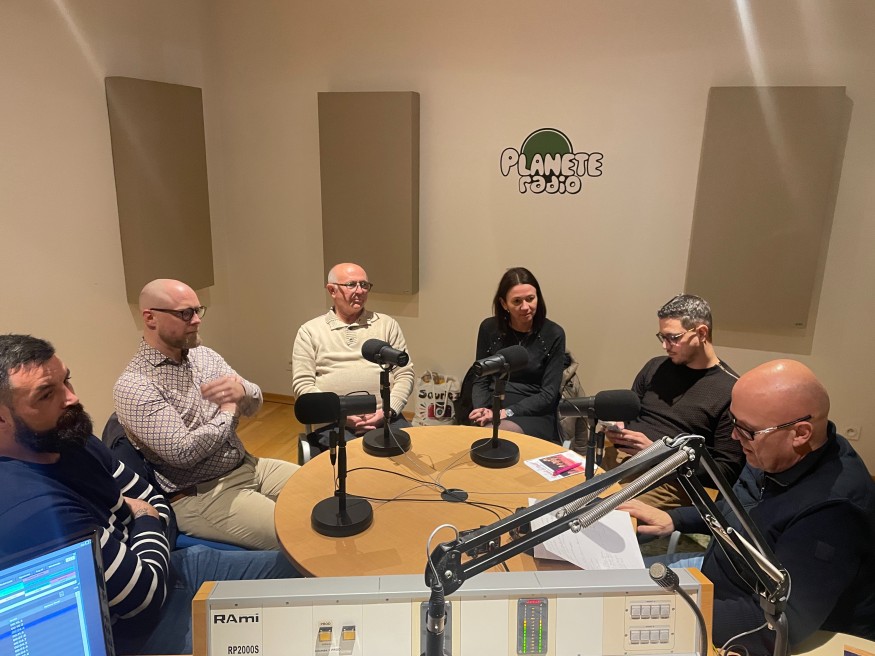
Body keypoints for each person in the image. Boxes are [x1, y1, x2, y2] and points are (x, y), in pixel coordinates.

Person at [0, 334, 297, 655]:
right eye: (46, 394)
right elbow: (142, 597)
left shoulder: (73, 441)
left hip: (176, 566)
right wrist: (142, 515)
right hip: (144, 629)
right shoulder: (29, 507)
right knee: (282, 637)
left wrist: (144, 523)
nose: (72, 398)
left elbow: (156, 502)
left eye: (66, 381)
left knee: (301, 569)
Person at [621, 360, 875, 652]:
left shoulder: (833, 512)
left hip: (747, 617)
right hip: (717, 575)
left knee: (622, 614)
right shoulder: (772, 452)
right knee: (608, 586)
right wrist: (675, 518)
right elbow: (739, 511)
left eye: (746, 430)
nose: (734, 436)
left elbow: (779, 624)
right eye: (734, 422)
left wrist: (665, 613)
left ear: (800, 433)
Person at [114, 279, 298, 550]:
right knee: (297, 533)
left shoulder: (203, 356)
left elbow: (254, 403)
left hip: (248, 466)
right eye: (185, 313)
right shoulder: (135, 385)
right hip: (201, 494)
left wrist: (242, 391)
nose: (197, 320)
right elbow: (183, 452)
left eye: (198, 310)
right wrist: (229, 410)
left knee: (324, 487)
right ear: (150, 318)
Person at [604, 293, 744, 509]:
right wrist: (619, 426)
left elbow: (726, 472)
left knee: (603, 511)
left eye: (673, 338)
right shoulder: (655, 367)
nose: (665, 345)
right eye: (662, 337)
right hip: (623, 458)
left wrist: (659, 454)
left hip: (671, 480)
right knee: (564, 491)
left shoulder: (731, 390)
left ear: (702, 333)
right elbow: (630, 413)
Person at [292, 262, 415, 450]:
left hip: (386, 416)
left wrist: (388, 410)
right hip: (333, 421)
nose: (360, 291)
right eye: (351, 285)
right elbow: (303, 386)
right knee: (357, 458)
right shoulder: (309, 331)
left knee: (409, 455)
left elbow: (404, 374)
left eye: (364, 285)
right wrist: (340, 413)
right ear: (332, 290)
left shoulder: (387, 325)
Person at [468, 267, 566, 443]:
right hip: (494, 403)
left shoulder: (554, 333)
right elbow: (480, 378)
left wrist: (506, 413)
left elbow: (548, 394)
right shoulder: (489, 328)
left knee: (493, 437)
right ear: (504, 304)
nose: (525, 307)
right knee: (478, 439)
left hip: (534, 411)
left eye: (530, 299)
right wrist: (482, 409)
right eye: (517, 301)